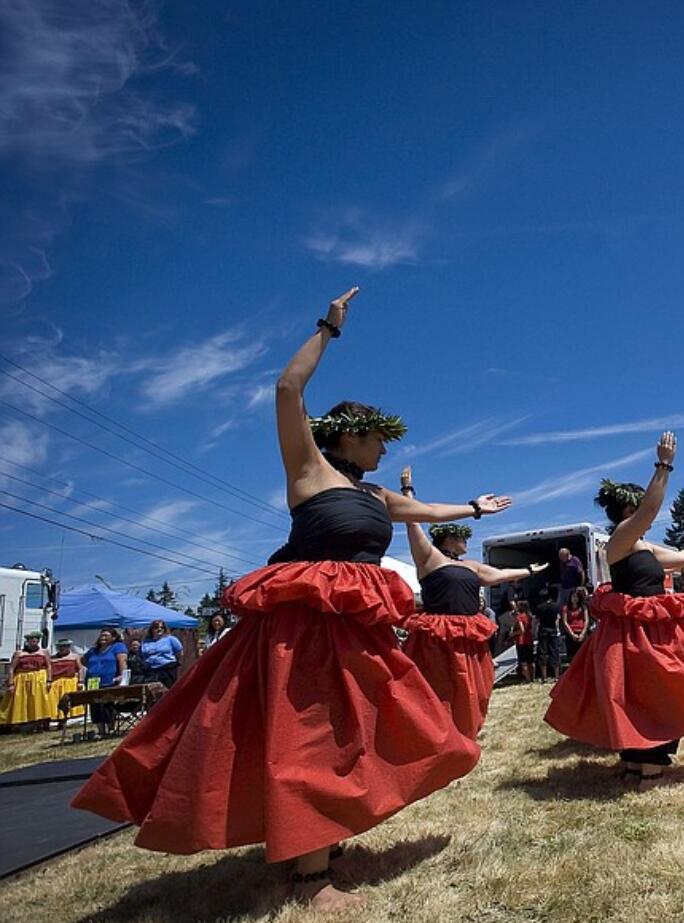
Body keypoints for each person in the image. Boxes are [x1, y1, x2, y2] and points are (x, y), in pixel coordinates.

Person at [72, 287, 511, 911]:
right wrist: (327, 330)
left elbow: (427, 509)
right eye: (380, 438)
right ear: (352, 434)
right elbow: (287, 392)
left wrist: (473, 507)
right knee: (309, 738)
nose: (387, 449)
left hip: (355, 631)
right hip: (301, 630)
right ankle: (310, 879)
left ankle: (323, 844)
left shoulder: (379, 495)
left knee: (358, 730)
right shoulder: (308, 468)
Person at [544, 432, 684, 789]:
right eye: (642, 512)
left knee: (656, 690)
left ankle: (637, 764)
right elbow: (650, 508)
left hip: (649, 632)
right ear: (628, 511)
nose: (650, 518)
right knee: (649, 693)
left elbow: (680, 559)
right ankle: (645, 765)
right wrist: (664, 465)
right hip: (634, 636)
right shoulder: (621, 536)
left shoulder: (642, 546)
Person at [399, 469, 544, 739]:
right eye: (462, 537)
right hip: (440, 636)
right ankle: (437, 733)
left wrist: (530, 570)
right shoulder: (429, 558)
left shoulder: (471, 566)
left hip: (469, 635)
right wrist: (408, 490)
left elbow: (499, 575)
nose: (467, 540)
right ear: (447, 538)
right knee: (440, 686)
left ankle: (464, 732)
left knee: (475, 687)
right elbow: (412, 522)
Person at [0, 631, 54, 730]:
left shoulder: (44, 652)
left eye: (36, 640)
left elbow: (49, 667)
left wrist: (49, 680)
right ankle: (17, 723)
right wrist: (11, 683)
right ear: (27, 641)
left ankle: (39, 722)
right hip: (22, 678)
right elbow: (11, 669)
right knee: (20, 699)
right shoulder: (19, 653)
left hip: (39, 678)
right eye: (31, 640)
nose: (33, 642)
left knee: (38, 699)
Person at [79, 628, 127, 734]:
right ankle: (101, 730)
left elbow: (122, 661)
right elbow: (83, 660)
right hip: (93, 681)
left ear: (113, 637)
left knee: (108, 705)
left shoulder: (117, 647)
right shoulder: (93, 650)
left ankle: (111, 728)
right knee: (95, 705)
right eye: (101, 635)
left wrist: (121, 675)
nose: (103, 638)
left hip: (109, 680)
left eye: (106, 635)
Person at [47, 638, 84, 726]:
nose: (62, 648)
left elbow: (80, 669)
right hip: (56, 682)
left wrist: (80, 681)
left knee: (69, 700)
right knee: (55, 701)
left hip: (70, 681)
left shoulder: (74, 656)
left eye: (65, 646)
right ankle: (58, 719)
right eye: (60, 647)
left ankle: (69, 719)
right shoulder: (52, 658)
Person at [138, 620, 183, 688]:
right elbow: (143, 654)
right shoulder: (146, 641)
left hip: (167, 669)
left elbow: (180, 652)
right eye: (156, 627)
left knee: (168, 691)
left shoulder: (171, 639)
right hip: (151, 670)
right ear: (152, 629)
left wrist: (178, 664)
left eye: (162, 627)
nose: (159, 629)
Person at [534, 589, 563, 682]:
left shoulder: (539, 607)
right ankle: (556, 676)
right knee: (554, 652)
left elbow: (537, 621)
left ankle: (544, 677)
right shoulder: (555, 606)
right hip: (553, 630)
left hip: (543, 630)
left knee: (542, 653)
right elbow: (557, 618)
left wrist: (534, 632)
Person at [561, 588, 591, 663]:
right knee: (572, 657)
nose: (575, 599)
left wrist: (582, 633)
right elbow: (565, 622)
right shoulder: (566, 608)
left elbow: (586, 620)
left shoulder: (583, 607)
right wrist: (572, 634)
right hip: (571, 633)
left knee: (584, 655)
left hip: (582, 632)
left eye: (576, 597)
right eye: (573, 597)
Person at [512, 601, 535, 682]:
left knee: (523, 661)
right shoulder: (529, 616)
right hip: (529, 639)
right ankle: (532, 678)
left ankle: (528, 679)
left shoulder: (519, 617)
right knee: (530, 660)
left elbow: (522, 630)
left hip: (521, 641)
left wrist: (513, 633)